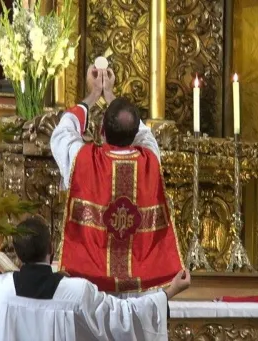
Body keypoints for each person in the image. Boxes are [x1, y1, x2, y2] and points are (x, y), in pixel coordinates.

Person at [50, 65, 183, 294]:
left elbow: (63, 132)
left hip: (91, 287)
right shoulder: (150, 160)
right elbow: (142, 132)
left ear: (102, 131)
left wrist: (93, 95)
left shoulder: (83, 160)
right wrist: (110, 94)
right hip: (138, 290)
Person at [0, 217, 191, 341]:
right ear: (52, 249)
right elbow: (124, 318)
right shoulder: (76, 292)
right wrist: (170, 291)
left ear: (17, 253)